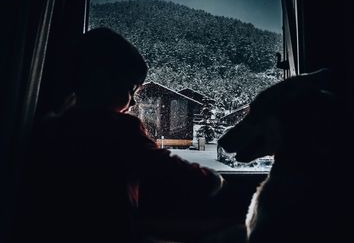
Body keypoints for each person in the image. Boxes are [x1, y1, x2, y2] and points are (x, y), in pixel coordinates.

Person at [19, 28, 223, 243]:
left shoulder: (53, 125)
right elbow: (163, 167)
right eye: (130, 90)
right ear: (103, 80)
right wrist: (211, 179)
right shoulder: (118, 128)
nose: (133, 102)